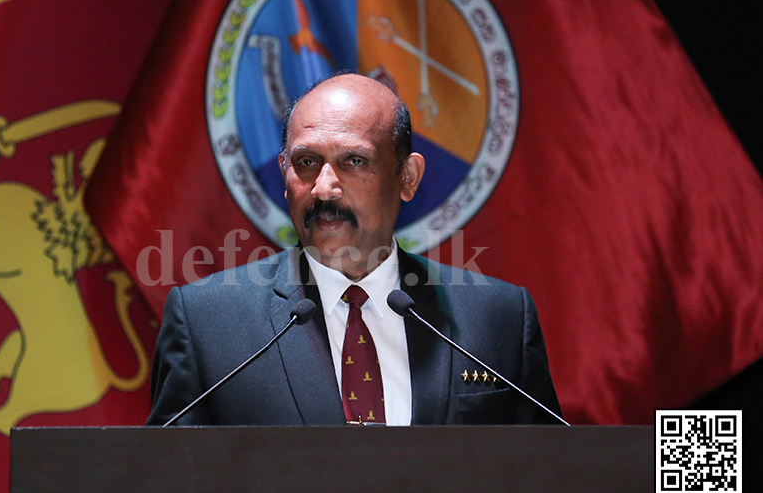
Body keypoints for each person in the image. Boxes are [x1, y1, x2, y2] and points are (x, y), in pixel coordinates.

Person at [146, 73, 562, 426]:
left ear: (408, 176)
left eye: (354, 162)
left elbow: (548, 482)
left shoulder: (497, 317)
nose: (324, 187)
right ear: (283, 172)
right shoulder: (206, 323)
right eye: (306, 162)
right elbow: (163, 492)